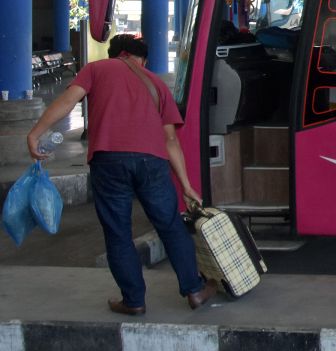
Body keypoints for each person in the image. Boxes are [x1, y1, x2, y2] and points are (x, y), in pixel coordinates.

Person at [25, 34, 218, 315]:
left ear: (114, 54)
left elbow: (68, 101)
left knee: (118, 232)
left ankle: (134, 300)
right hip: (152, 161)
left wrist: (35, 134)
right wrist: (186, 185)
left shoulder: (95, 69)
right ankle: (194, 290)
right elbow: (171, 141)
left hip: (108, 160)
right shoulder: (157, 84)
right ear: (143, 59)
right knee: (170, 225)